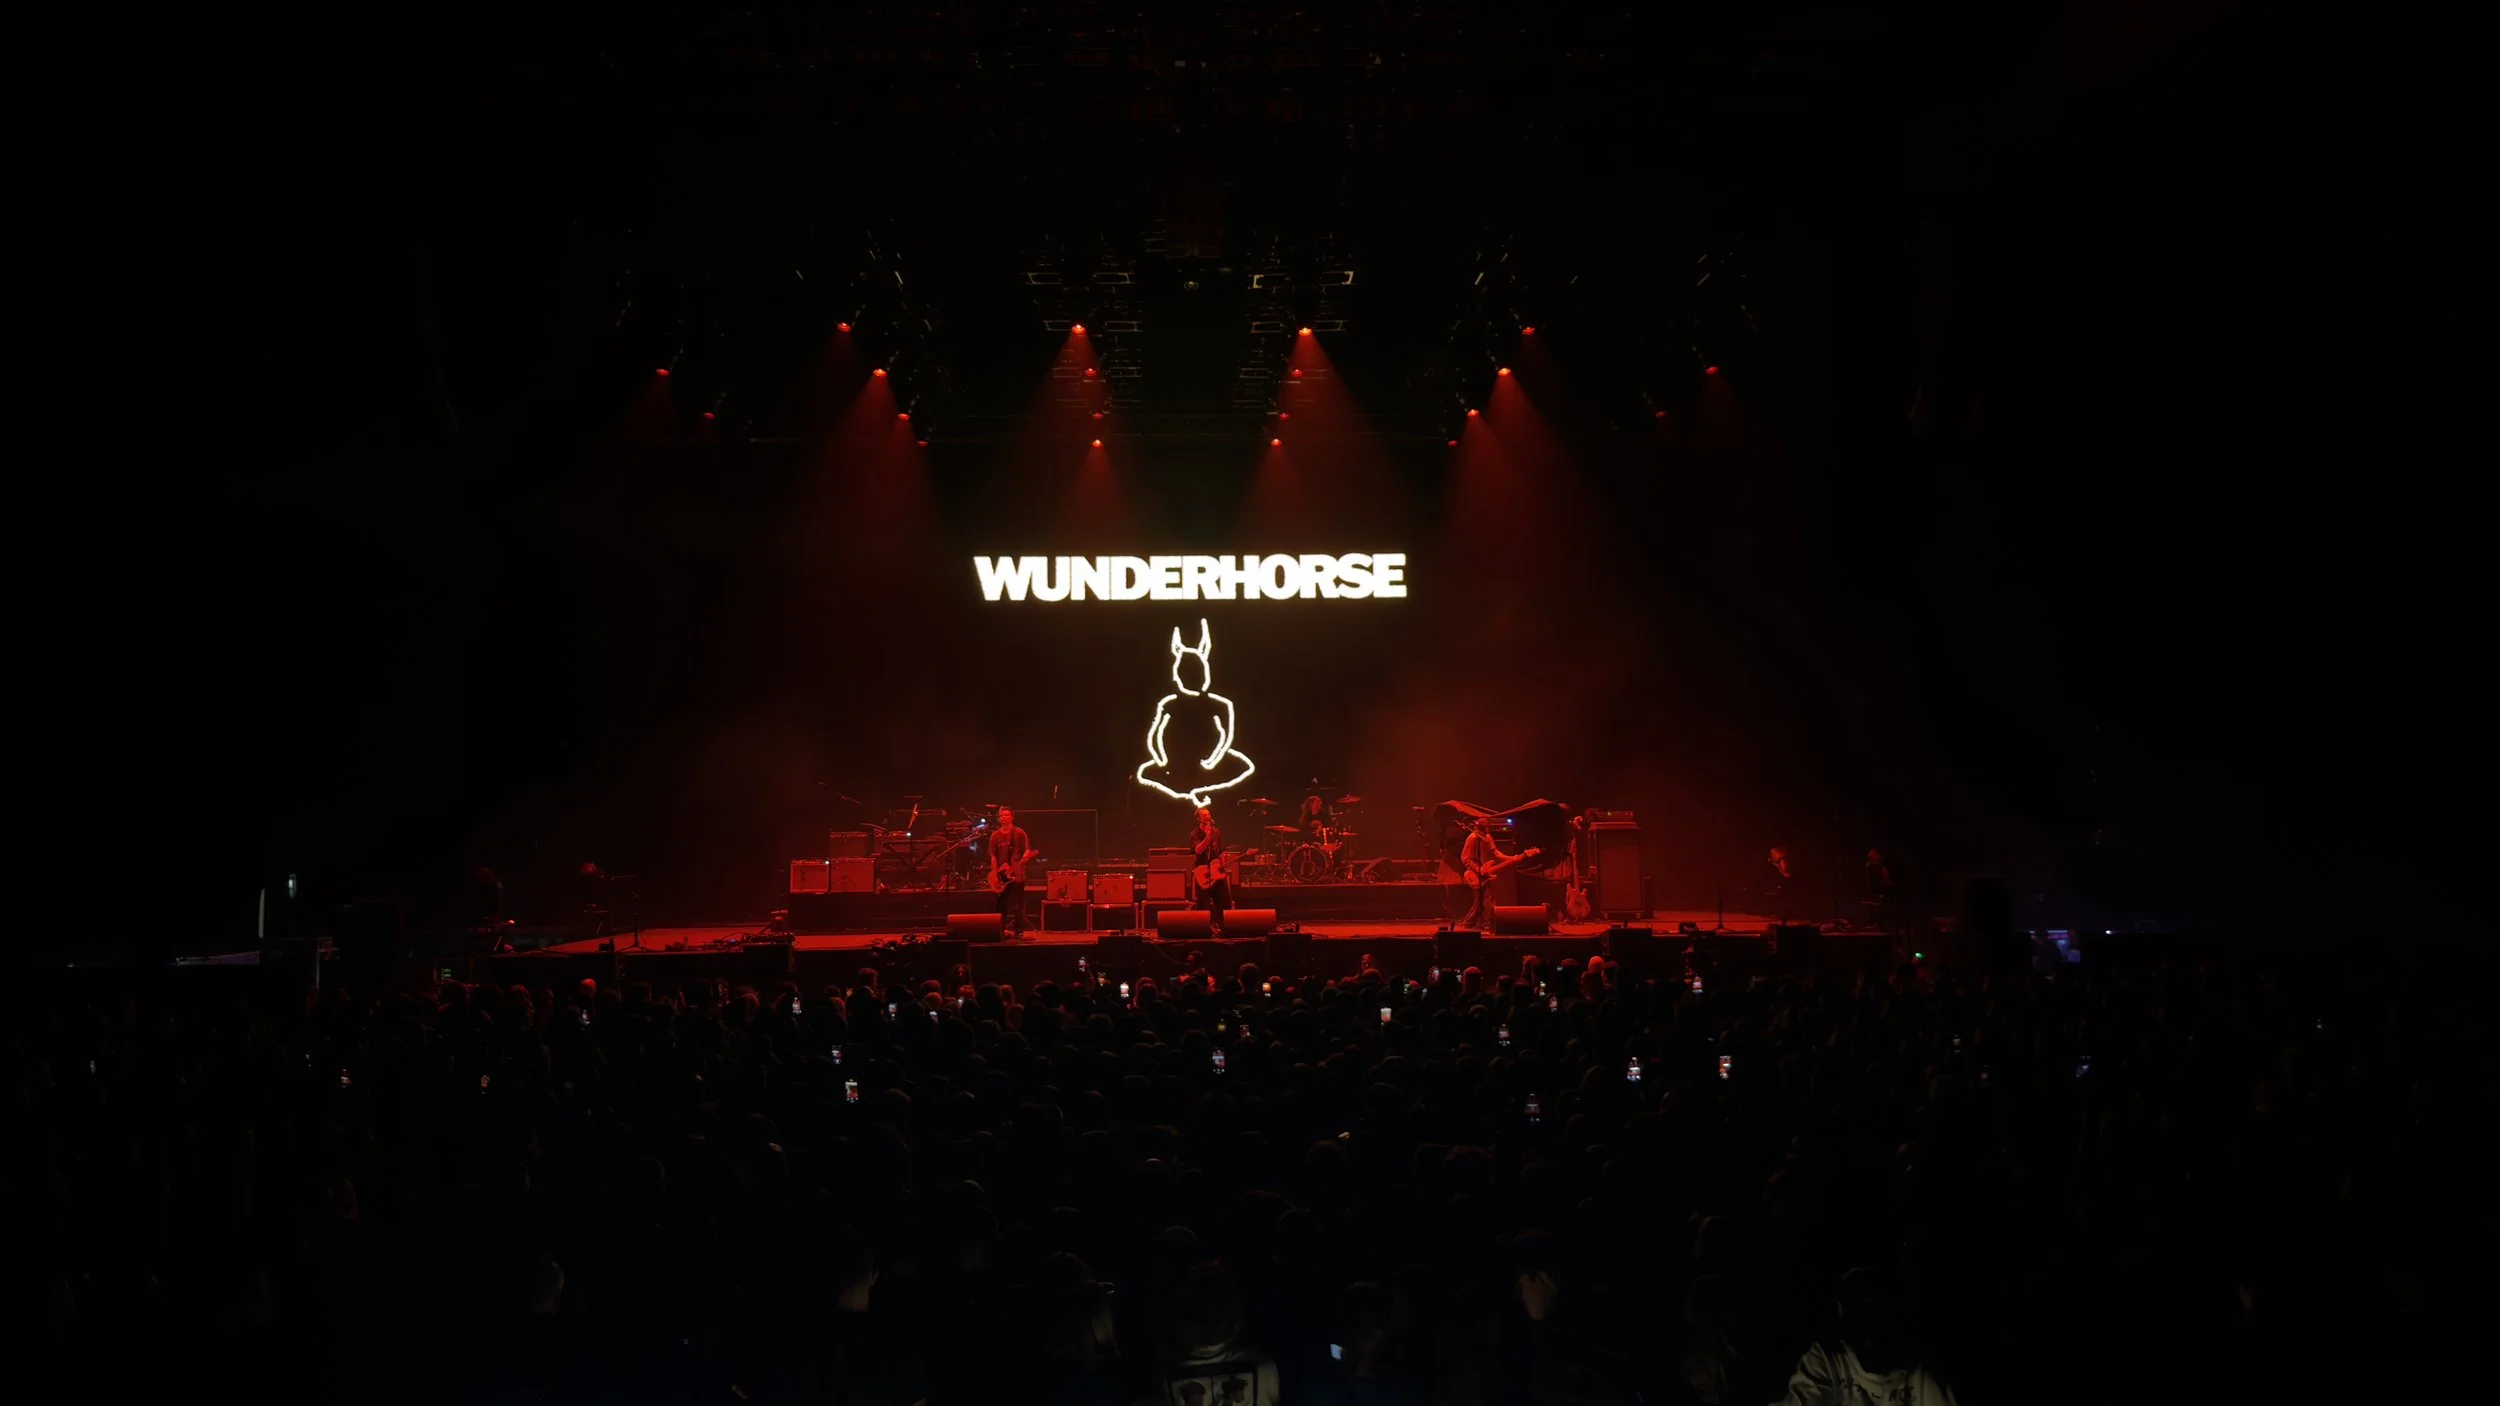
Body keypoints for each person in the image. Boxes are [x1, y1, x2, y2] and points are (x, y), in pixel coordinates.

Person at [1775, 1268, 1958, 1406]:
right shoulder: (1827, 1358)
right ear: (1842, 1311)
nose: (1868, 1317)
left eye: (1875, 1301)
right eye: (1857, 1302)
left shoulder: (1921, 1369)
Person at [991, 807, 1034, 938]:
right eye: (1001, 815)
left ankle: (1018, 930)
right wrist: (995, 874)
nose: (1003, 817)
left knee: (1018, 904)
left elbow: (1027, 850)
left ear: (1011, 817)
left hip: (1017, 873)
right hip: (1002, 874)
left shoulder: (1019, 833)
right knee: (1001, 903)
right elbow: (993, 856)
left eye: (1006, 815)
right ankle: (1000, 929)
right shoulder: (995, 836)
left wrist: (1026, 856)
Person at [1191, 807, 1231, 935]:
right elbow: (1198, 850)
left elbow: (1220, 852)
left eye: (1208, 815)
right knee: (1203, 903)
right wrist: (1207, 837)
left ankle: (1224, 929)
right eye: (1204, 816)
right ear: (1198, 818)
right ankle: (1204, 931)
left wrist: (1223, 866)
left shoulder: (1217, 832)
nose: (1207, 817)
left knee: (1224, 900)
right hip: (1202, 872)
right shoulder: (1195, 834)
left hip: (1216, 871)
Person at [1460, 816, 1503, 931]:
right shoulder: (1473, 838)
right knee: (1482, 900)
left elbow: (1497, 853)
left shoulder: (1486, 837)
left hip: (1483, 872)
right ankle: (1471, 923)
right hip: (1475, 873)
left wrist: (1513, 858)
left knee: (1486, 898)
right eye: (1487, 826)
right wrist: (1479, 869)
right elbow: (1465, 859)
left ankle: (1480, 923)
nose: (1488, 828)